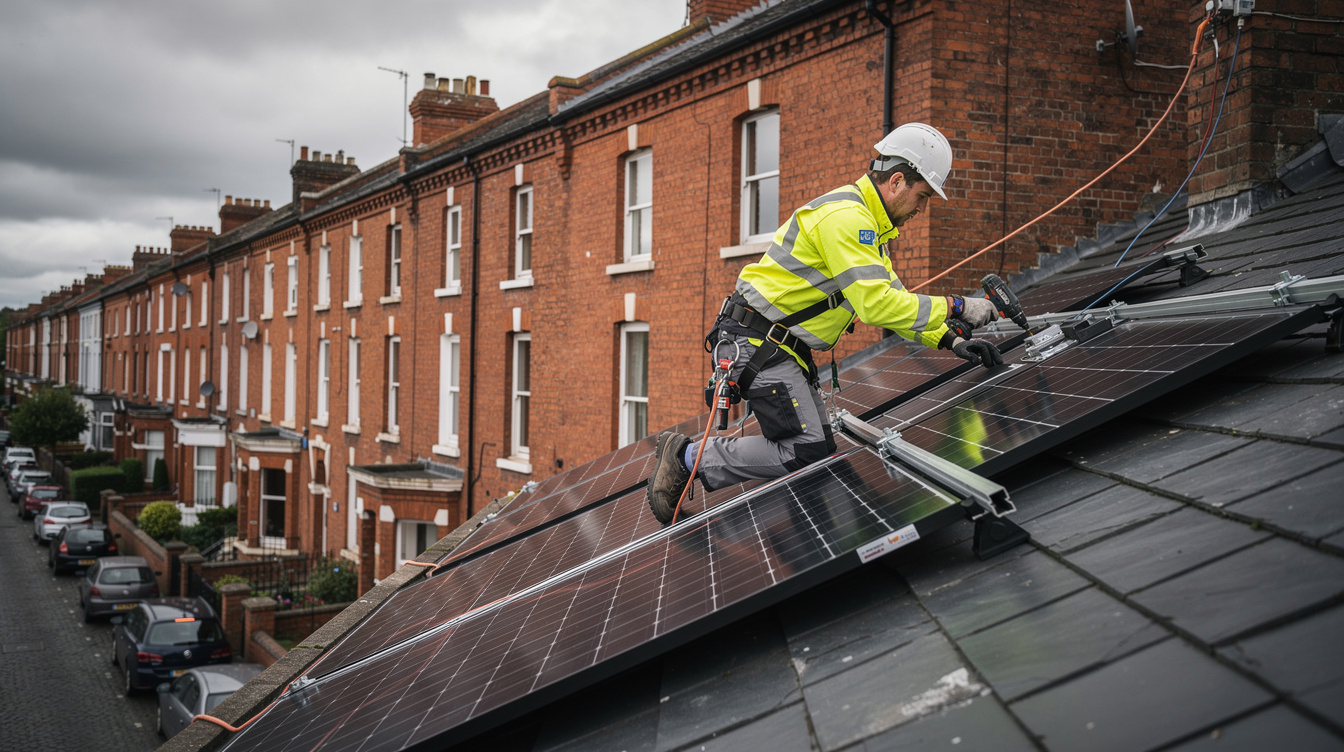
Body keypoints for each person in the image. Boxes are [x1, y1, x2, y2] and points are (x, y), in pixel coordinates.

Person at [647, 122, 1003, 525]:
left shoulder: (870, 230)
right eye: (922, 196)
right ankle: (686, 458)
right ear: (898, 181)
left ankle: (706, 470)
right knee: (806, 450)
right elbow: (876, 306)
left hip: (776, 346)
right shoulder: (848, 219)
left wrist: (949, 340)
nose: (922, 209)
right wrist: (958, 306)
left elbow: (896, 301)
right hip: (758, 344)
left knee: (816, 447)